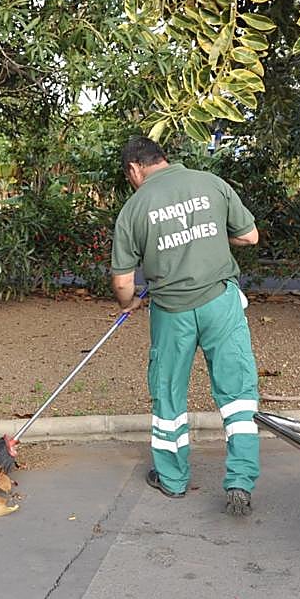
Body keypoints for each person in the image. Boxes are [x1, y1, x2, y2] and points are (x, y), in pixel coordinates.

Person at [110, 136, 261, 516]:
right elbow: (249, 235)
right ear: (163, 159)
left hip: (171, 311)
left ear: (134, 169)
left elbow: (123, 283)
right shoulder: (210, 183)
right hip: (220, 303)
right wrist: (208, 238)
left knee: (168, 395)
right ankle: (241, 478)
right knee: (238, 392)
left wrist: (130, 303)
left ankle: (173, 479)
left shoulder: (134, 208)